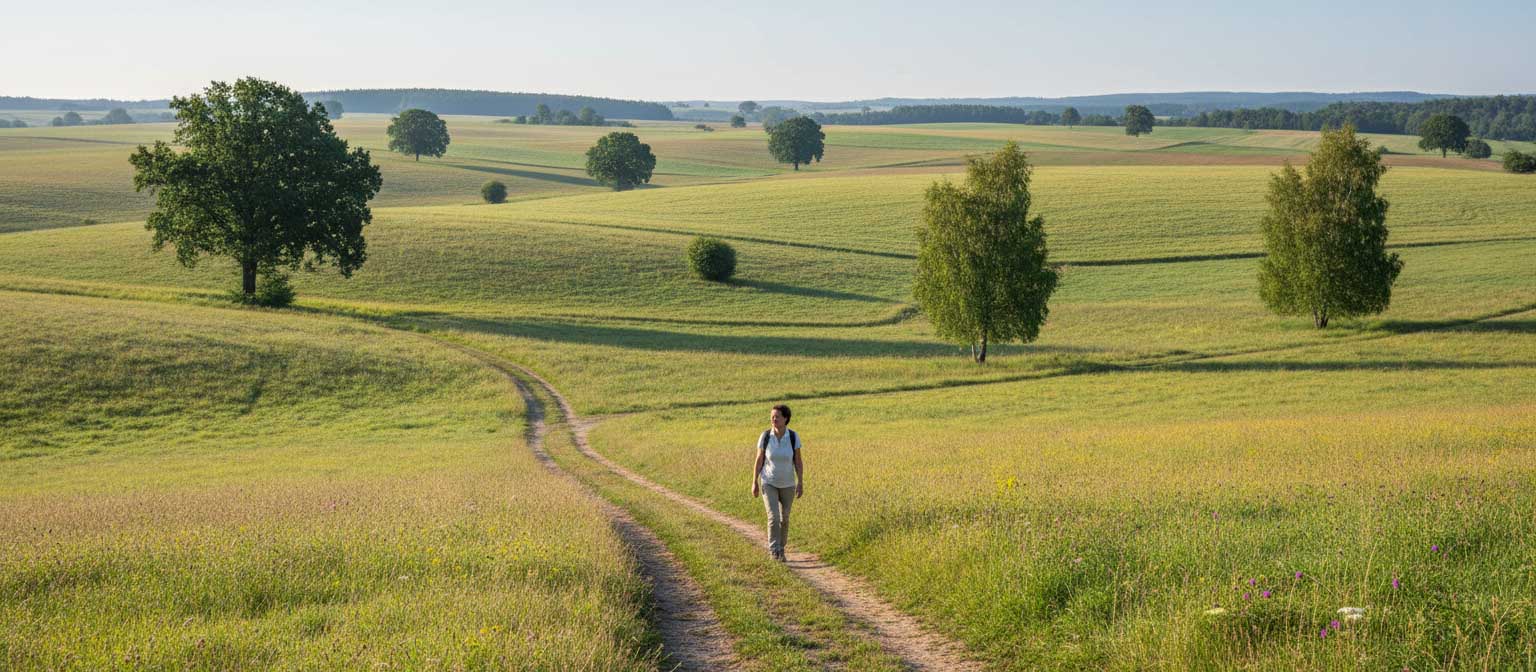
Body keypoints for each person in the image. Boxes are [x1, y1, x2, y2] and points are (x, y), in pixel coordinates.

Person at [751, 403, 803, 561]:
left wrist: (800, 482)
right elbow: (759, 460)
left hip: (788, 483)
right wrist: (754, 482)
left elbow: (798, 461)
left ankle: (782, 548)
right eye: (772, 417)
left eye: (777, 417)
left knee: (784, 518)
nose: (773, 419)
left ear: (785, 419)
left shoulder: (793, 437)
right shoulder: (765, 436)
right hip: (769, 482)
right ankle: (774, 550)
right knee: (773, 517)